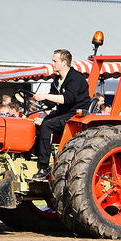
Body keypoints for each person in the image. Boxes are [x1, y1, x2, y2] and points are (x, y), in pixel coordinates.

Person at [31, 49, 90, 180]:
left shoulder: (75, 78)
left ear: (64, 62)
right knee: (37, 123)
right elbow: (50, 104)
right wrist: (41, 116)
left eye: (54, 61)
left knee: (47, 126)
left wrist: (44, 95)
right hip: (63, 112)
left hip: (77, 115)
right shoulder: (57, 81)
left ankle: (44, 167)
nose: (52, 63)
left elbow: (67, 99)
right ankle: (34, 156)